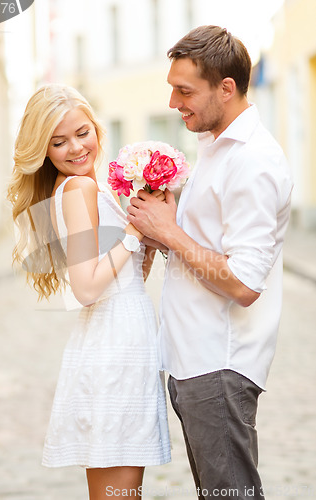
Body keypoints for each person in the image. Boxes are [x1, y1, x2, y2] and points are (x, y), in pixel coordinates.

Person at [127, 25, 293, 500]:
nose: (175, 103)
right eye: (172, 90)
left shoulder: (253, 161)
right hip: (192, 359)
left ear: (226, 87)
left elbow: (244, 281)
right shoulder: (215, 149)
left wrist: (168, 232)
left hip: (219, 362)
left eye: (185, 91)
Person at [7, 84, 171, 499]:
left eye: (82, 132)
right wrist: (134, 234)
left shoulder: (90, 189)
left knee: (117, 490)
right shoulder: (78, 190)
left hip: (122, 339)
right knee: (119, 492)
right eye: (58, 142)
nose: (75, 148)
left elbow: (121, 275)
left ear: (96, 127)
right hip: (113, 345)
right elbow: (86, 287)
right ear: (43, 151)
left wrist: (144, 246)